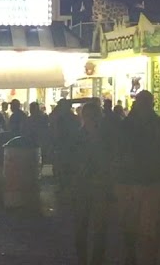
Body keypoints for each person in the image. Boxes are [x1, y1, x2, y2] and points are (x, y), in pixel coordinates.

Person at [114, 91, 160, 265]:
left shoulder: (127, 124)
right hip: (149, 180)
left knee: (133, 222)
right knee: (148, 225)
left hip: (134, 179)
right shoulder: (158, 124)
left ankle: (134, 255)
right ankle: (145, 256)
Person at [68, 100, 113, 265]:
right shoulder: (80, 137)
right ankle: (85, 259)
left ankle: (95, 260)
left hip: (97, 185)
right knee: (83, 226)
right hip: (85, 185)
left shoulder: (103, 136)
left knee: (97, 227)